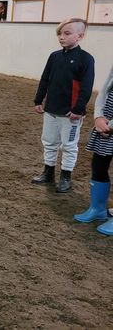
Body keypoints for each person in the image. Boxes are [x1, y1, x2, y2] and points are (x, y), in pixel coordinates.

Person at [31, 18, 95, 193]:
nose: (61, 37)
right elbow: (45, 79)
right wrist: (38, 100)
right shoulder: (54, 56)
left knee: (69, 145)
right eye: (59, 33)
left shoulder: (86, 59)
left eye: (67, 33)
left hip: (70, 113)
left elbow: (87, 87)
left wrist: (78, 109)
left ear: (80, 36)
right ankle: (48, 172)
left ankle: (66, 177)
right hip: (51, 109)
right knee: (49, 142)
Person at [73, 64, 113, 232]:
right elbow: (105, 89)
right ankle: (98, 209)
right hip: (106, 123)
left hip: (109, 125)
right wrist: (98, 116)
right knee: (98, 165)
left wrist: (110, 125)